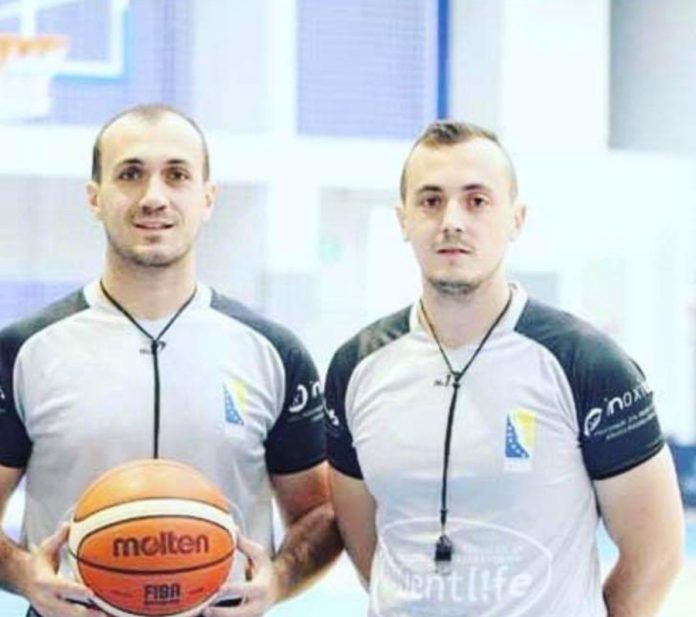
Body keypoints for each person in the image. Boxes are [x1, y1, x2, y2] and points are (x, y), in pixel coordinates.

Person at [325, 120, 684, 616]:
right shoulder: (356, 367)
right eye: (431, 201)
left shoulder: (587, 365)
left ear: (516, 219)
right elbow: (366, 544)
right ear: (403, 219)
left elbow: (657, 554)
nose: (452, 220)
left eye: (477, 201)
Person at [0, 104, 341, 617]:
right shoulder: (23, 351)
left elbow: (319, 512)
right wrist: (26, 575)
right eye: (130, 174)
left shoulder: (274, 353)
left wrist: (278, 581)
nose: (153, 197)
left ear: (207, 198)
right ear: (95, 197)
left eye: (177, 175)